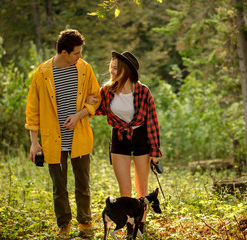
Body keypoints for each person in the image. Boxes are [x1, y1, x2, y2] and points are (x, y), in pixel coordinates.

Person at [24, 29, 101, 238]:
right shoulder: (42, 73)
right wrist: (34, 142)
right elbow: (33, 108)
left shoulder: (85, 69)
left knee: (83, 185)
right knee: (59, 188)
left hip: (80, 137)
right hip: (52, 141)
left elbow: (96, 97)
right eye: (77, 53)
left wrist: (79, 115)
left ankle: (85, 224)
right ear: (65, 52)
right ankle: (64, 225)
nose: (80, 56)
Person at [87, 51, 162, 238]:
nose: (111, 71)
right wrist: (89, 102)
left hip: (140, 137)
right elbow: (97, 110)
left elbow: (152, 121)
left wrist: (155, 151)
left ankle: (140, 225)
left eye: (115, 68)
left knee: (142, 189)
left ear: (126, 71)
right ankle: (129, 226)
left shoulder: (143, 91)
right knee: (125, 189)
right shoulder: (106, 90)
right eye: (110, 67)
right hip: (118, 137)